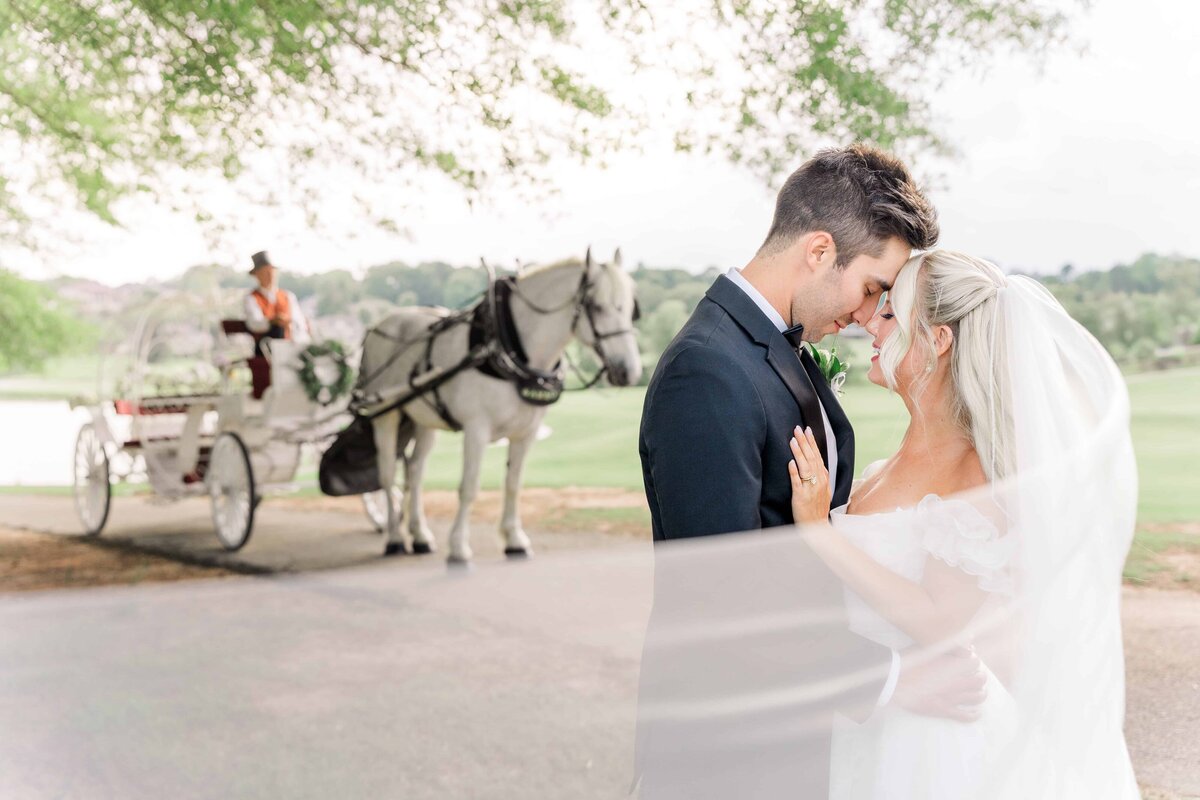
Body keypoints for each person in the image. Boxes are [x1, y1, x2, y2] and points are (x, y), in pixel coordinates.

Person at [634, 145, 989, 799]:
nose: (864, 316)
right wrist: (891, 679)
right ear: (820, 251)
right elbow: (721, 595)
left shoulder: (772, 348)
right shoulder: (707, 371)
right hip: (726, 755)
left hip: (800, 742)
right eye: (872, 288)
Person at [788, 251, 1139, 798]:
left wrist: (820, 534)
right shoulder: (886, 466)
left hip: (929, 744)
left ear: (938, 341)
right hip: (873, 720)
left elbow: (942, 621)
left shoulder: (974, 474)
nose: (865, 321)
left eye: (888, 317)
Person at [244, 250, 311, 355]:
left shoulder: (288, 296)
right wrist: (273, 321)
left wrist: (288, 323)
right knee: (277, 329)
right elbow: (255, 323)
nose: (270, 275)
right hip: (266, 348)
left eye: (271, 271)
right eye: (265, 272)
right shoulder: (252, 298)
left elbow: (299, 323)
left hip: (291, 344)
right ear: (257, 275)